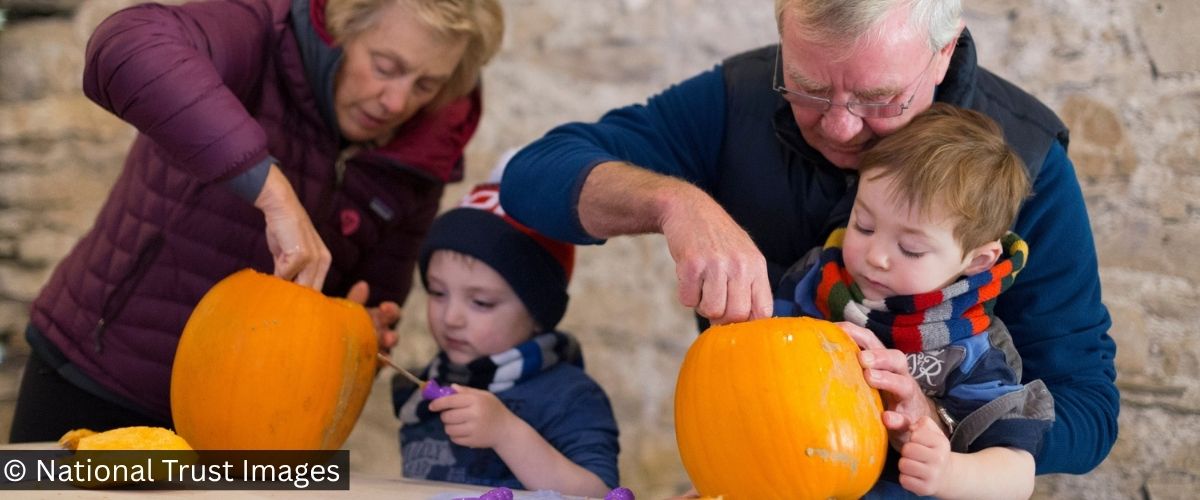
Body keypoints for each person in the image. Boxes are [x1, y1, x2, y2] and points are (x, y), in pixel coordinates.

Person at [500, 0, 1116, 475]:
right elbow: (532, 176)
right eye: (810, 89)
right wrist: (674, 202)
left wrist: (942, 424)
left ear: (944, 51)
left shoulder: (1026, 162)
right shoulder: (736, 98)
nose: (842, 126)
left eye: (879, 98)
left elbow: (1088, 409)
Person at [9, 0, 504, 442]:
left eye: (426, 84)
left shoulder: (424, 151)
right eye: (384, 66)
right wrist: (271, 191)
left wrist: (358, 334)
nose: (397, 102)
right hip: (102, 380)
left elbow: (372, 301)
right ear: (342, 26)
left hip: (252, 434)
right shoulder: (261, 28)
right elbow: (126, 47)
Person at [775, 104, 1053, 499]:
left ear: (976, 261)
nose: (876, 256)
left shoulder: (970, 350)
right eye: (864, 225)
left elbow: (1018, 477)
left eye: (910, 248)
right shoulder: (813, 283)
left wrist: (950, 472)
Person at [391, 184, 619, 496]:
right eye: (438, 293)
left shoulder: (571, 397)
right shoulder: (420, 387)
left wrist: (507, 433)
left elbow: (600, 494)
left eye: (481, 302)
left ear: (538, 314)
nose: (451, 318)